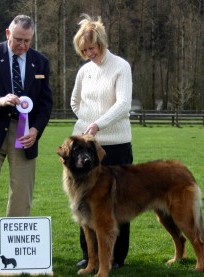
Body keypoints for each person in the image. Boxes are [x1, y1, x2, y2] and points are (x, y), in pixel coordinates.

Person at [0, 15, 53, 217]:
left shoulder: (41, 63)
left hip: (24, 135)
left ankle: (13, 248)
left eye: (27, 40)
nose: (23, 45)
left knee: (22, 196)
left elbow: (45, 102)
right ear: (8, 33)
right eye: (18, 39)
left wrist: (35, 129)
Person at [70, 14, 133, 269]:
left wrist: (97, 124)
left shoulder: (120, 66)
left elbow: (123, 104)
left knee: (116, 204)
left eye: (91, 49)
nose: (88, 54)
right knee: (84, 202)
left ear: (102, 44)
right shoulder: (84, 71)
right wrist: (85, 122)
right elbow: (75, 102)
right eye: (83, 50)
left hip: (115, 146)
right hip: (85, 147)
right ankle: (90, 255)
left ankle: (116, 257)